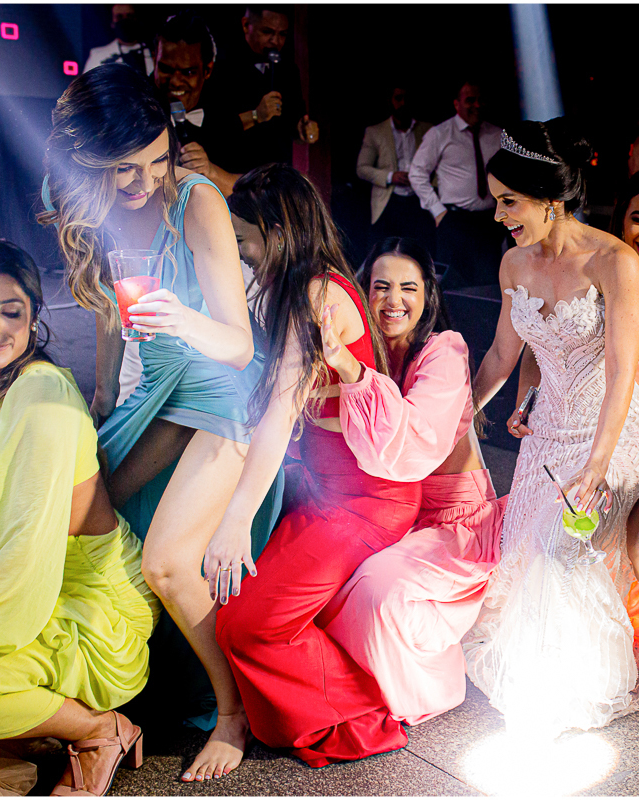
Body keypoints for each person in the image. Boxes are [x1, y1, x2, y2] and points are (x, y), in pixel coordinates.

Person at [38, 64, 279, 782]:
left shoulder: (196, 202)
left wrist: (186, 320)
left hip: (221, 387)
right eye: (123, 170)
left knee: (168, 561)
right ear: (85, 161)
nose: (143, 180)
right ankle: (101, 689)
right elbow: (114, 313)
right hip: (154, 390)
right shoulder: (79, 200)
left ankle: (233, 716)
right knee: (86, 515)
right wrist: (105, 397)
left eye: (154, 160)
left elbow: (239, 344)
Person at [462, 119, 639, 737]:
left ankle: (581, 686)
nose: (499, 215)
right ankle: (543, 671)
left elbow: (623, 372)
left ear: (550, 198)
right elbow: (502, 355)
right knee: (519, 558)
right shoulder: (513, 264)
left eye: (509, 202)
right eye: (496, 201)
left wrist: (597, 466)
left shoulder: (616, 261)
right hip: (546, 433)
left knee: (557, 551)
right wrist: (457, 416)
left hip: (617, 430)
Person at [211, 165, 418, 769]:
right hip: (319, 490)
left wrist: (235, 518)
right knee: (235, 616)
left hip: (364, 499)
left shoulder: (318, 294)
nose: (239, 251)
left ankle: (362, 712)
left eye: (243, 238)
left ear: (276, 232)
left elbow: (279, 412)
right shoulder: (289, 284)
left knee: (246, 626)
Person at [0, 240, 160, 796]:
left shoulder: (40, 397)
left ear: (33, 316)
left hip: (93, 605)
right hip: (12, 586)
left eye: (11, 311)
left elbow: (23, 557)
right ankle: (0, 750)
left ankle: (99, 731)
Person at [316, 238, 506, 726]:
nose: (392, 300)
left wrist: (352, 375)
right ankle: (354, 684)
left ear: (427, 295)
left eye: (407, 287)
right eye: (379, 287)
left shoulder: (444, 352)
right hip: (388, 511)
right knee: (321, 583)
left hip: (454, 520)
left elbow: (416, 438)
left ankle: (430, 689)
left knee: (380, 592)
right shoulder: (367, 350)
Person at [408, 80, 505, 290]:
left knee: (489, 287)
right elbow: (416, 173)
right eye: (470, 100)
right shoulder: (440, 134)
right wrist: (438, 212)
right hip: (454, 222)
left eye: (480, 100)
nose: (477, 105)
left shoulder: (497, 135)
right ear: (456, 104)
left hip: (489, 223)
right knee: (452, 289)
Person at [207, 5, 319, 175]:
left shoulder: (288, 70)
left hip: (277, 175)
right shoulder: (222, 67)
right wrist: (256, 115)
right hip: (234, 174)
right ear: (246, 25)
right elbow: (215, 130)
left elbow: (294, 123)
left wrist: (303, 131)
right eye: (267, 32)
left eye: (282, 34)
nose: (275, 41)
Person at [153, 12, 245, 197]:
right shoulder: (136, 106)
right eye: (166, 69)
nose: (176, 82)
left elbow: (249, 191)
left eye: (188, 72)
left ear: (207, 70)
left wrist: (210, 171)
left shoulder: (225, 115)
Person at [357, 86, 434, 250]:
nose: (403, 103)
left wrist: (423, 180)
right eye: (398, 98)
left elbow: (440, 167)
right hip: (389, 200)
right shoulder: (376, 131)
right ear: (390, 101)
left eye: (407, 98)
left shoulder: (428, 130)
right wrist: (391, 176)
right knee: (385, 251)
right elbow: (362, 168)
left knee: (421, 251)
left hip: (419, 200)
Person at [84, 4, 153, 75]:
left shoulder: (154, 52)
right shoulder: (98, 55)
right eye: (119, 17)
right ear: (112, 23)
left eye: (129, 16)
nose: (125, 20)